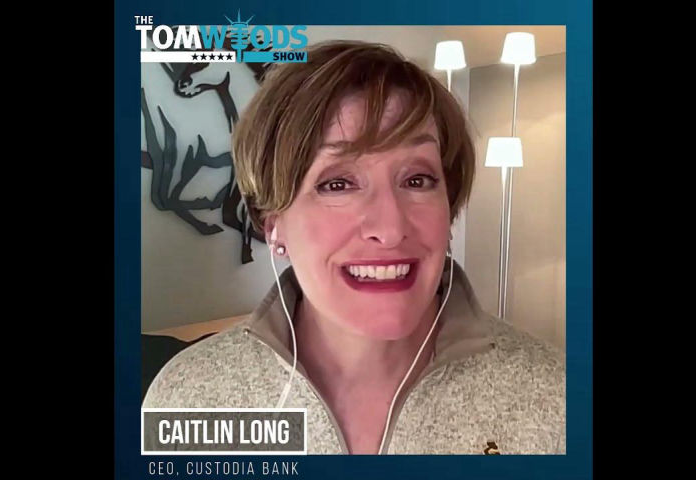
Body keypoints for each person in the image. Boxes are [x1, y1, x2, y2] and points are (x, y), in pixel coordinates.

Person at [143, 40, 565, 455]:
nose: (390, 228)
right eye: (338, 184)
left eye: (417, 180)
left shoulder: (556, 401)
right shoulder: (190, 398)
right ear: (273, 223)